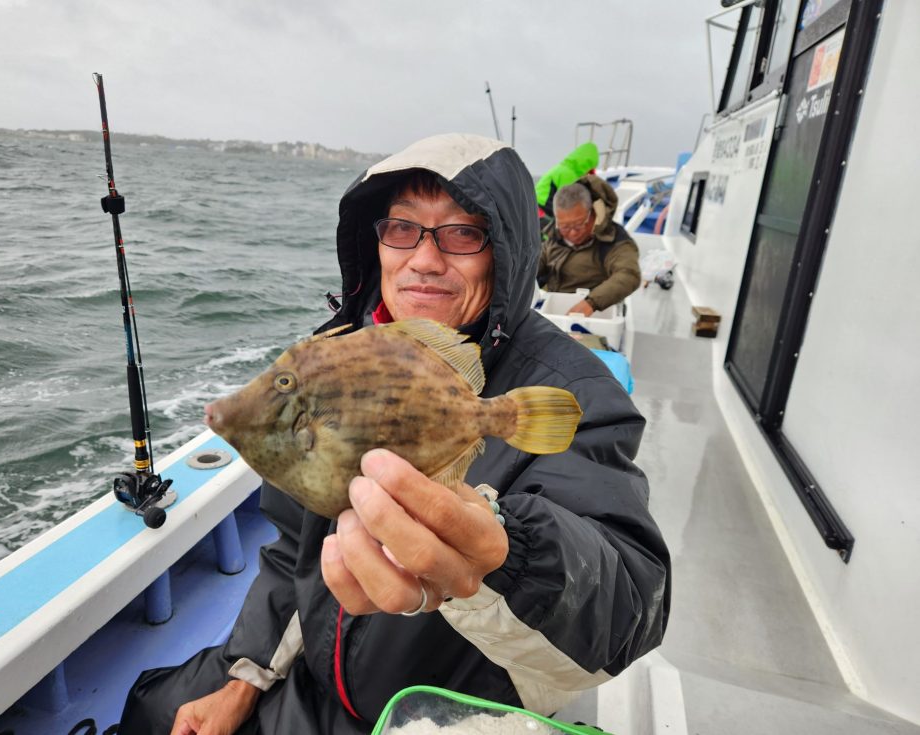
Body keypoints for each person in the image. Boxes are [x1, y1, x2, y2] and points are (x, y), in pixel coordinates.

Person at [118, 133, 670, 734]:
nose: (425, 260)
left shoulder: (578, 394)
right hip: (314, 678)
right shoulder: (341, 357)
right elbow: (291, 551)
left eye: (463, 234)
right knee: (152, 711)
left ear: (504, 252)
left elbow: (630, 606)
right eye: (402, 229)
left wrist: (506, 556)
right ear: (375, 241)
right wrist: (245, 675)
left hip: (435, 718)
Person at [536, 177, 641, 316]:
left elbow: (628, 274)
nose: (572, 233)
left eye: (579, 225)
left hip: (594, 316)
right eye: (565, 226)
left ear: (593, 212)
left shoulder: (615, 241)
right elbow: (538, 261)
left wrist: (591, 302)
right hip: (553, 312)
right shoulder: (554, 235)